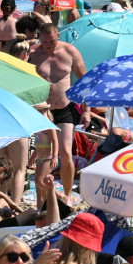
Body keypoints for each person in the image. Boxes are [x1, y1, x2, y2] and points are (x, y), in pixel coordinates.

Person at [29, 23, 88, 200]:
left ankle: (68, 195)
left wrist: (87, 111)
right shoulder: (33, 53)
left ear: (58, 37)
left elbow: (83, 81)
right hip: (42, 111)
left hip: (65, 108)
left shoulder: (70, 52)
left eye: (51, 41)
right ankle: (42, 199)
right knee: (43, 155)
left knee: (65, 152)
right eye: (44, 41)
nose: (47, 45)